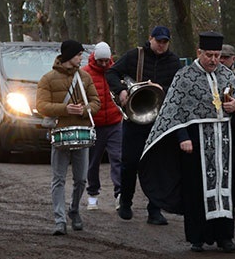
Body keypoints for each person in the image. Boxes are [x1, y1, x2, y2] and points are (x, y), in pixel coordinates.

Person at [139, 31, 235, 253]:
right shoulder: (184, 76)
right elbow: (172, 110)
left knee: (223, 188)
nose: (214, 60)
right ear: (199, 52)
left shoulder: (226, 75)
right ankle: (197, 237)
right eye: (209, 55)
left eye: (217, 55)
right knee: (196, 190)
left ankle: (225, 236)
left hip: (223, 142)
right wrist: (182, 137)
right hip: (195, 142)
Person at [105, 25, 182, 225]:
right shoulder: (135, 55)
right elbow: (112, 73)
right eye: (158, 41)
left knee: (157, 166)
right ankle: (126, 203)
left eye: (165, 42)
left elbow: (178, 87)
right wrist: (121, 90)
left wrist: (160, 89)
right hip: (134, 119)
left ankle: (154, 210)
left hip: (159, 120)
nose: (161, 45)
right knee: (129, 163)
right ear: (151, 39)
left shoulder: (173, 62)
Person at [36, 40, 100, 236]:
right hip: (60, 133)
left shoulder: (85, 77)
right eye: (78, 55)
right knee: (58, 179)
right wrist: (65, 109)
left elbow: (96, 102)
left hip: (81, 132)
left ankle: (74, 209)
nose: (81, 58)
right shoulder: (47, 79)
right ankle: (59, 220)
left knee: (81, 179)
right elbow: (41, 105)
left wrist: (84, 110)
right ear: (68, 56)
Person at [84, 42, 123, 210]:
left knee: (118, 158)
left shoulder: (116, 71)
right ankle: (92, 193)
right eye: (101, 61)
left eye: (106, 61)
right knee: (93, 161)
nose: (104, 64)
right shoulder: (85, 73)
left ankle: (120, 194)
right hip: (95, 124)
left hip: (115, 121)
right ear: (95, 58)